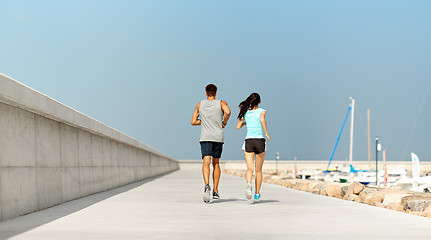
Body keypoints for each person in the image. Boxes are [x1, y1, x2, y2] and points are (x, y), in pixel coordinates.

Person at [191, 84, 231, 203]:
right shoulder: (221, 103)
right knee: (216, 164)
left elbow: (193, 122)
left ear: (206, 93)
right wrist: (224, 122)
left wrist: (203, 122)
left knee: (206, 162)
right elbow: (228, 112)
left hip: (205, 137)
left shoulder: (199, 105)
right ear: (216, 93)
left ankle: (207, 184)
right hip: (218, 137)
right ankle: (215, 190)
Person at [236, 93, 270, 201]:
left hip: (249, 141)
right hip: (259, 141)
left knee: (249, 168)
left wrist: (245, 123)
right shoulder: (262, 111)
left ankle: (249, 184)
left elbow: (237, 127)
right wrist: (266, 133)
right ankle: (257, 194)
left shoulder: (245, 113)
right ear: (259, 102)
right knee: (258, 170)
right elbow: (261, 120)